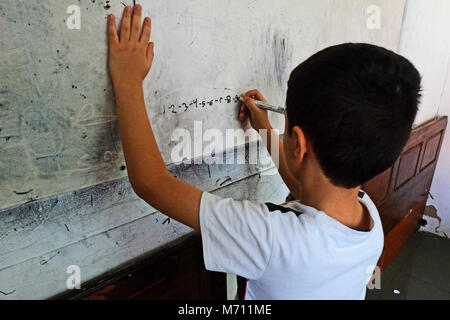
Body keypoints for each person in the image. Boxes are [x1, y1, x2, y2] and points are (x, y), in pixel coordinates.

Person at [106, 5, 421, 299]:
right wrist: (266, 131)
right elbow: (307, 188)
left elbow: (151, 182)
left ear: (297, 143)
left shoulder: (271, 236)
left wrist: (128, 80)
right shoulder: (368, 222)